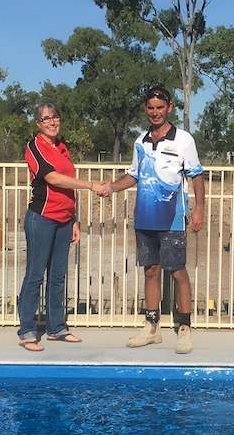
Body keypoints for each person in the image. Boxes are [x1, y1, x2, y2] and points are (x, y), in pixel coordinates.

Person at [103, 87, 205, 354]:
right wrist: (111, 187)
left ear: (169, 107)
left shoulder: (184, 140)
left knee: (178, 271)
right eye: (151, 107)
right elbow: (133, 175)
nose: (156, 112)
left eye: (160, 107)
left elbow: (196, 175)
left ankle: (184, 327)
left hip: (172, 219)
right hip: (145, 218)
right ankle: (152, 328)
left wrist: (199, 208)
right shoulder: (141, 141)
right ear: (146, 109)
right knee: (150, 270)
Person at [16, 102, 108, 351]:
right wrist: (90, 185)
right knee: (35, 275)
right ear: (39, 124)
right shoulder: (34, 147)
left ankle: (56, 327)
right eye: (46, 119)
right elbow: (52, 178)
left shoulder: (62, 148)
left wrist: (74, 218)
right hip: (42, 218)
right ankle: (27, 329)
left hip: (64, 220)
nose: (52, 122)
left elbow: (66, 187)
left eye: (55, 117)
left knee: (57, 276)